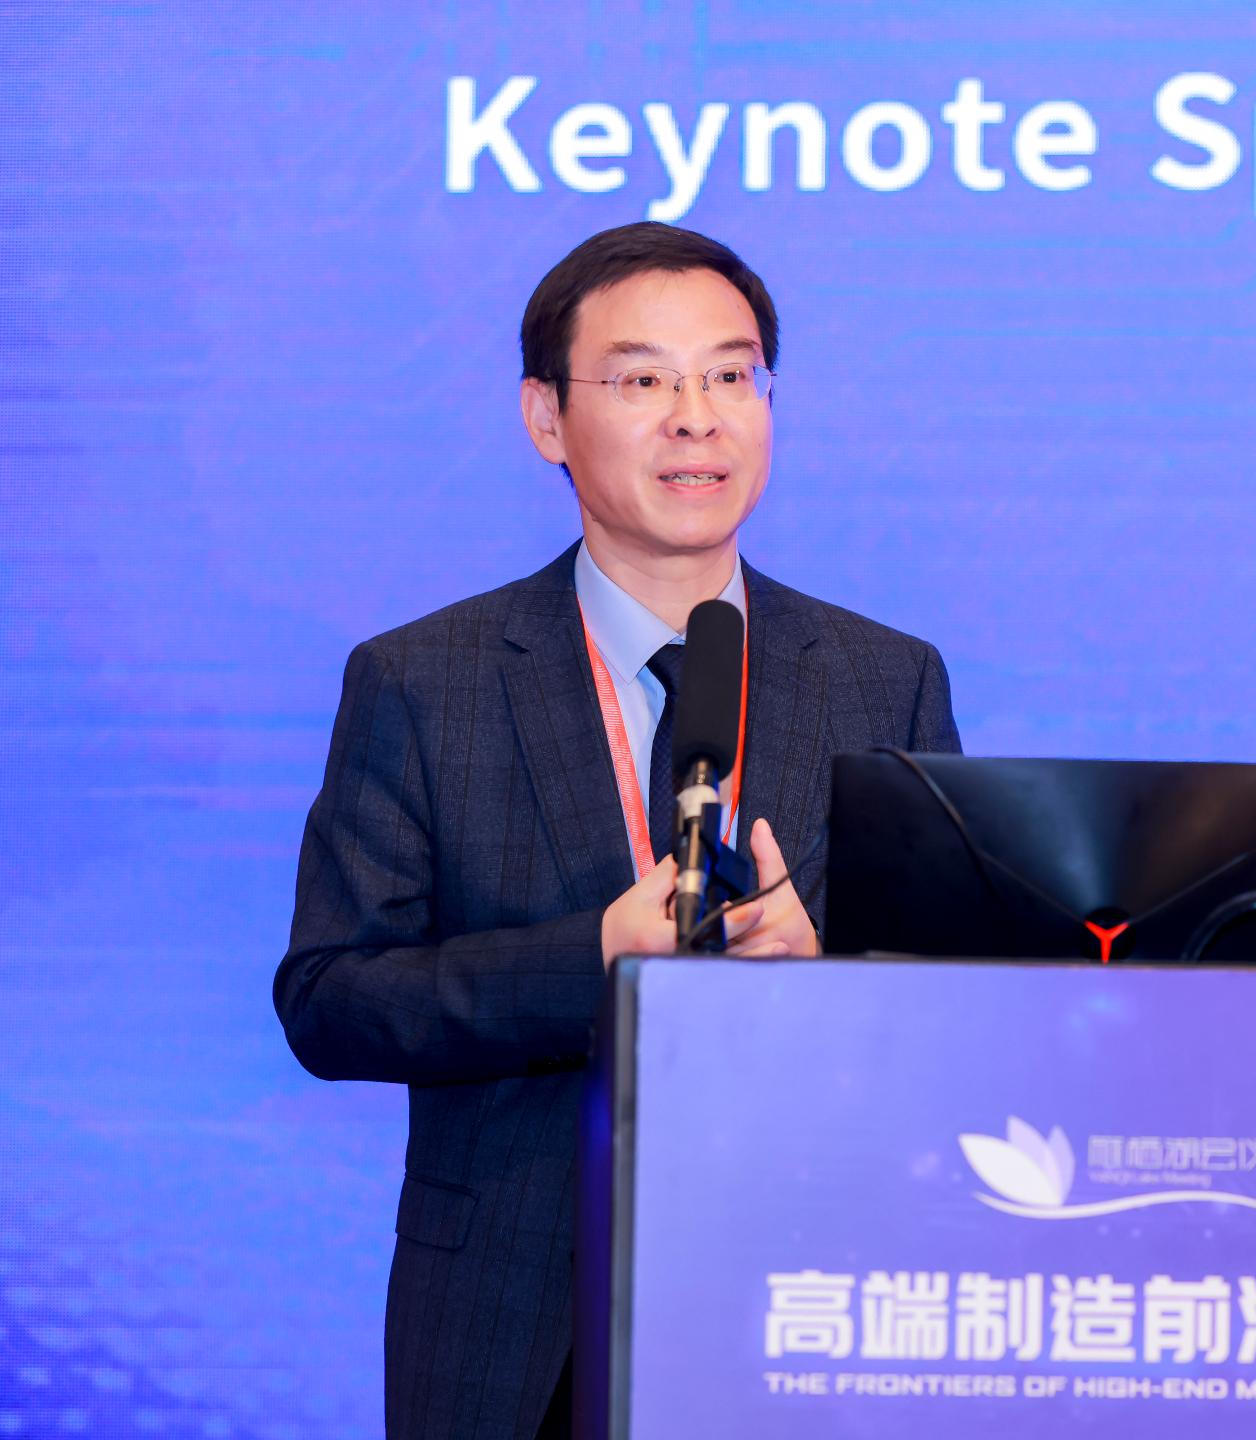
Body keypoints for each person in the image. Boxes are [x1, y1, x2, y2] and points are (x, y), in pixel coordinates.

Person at [274, 222, 961, 1439]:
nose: (696, 419)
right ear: (546, 418)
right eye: (644, 381)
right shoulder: (425, 681)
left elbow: (957, 1015)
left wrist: (826, 975)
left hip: (806, 1307)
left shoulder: (882, 678)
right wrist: (592, 958)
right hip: (516, 1329)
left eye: (730, 375)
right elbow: (332, 999)